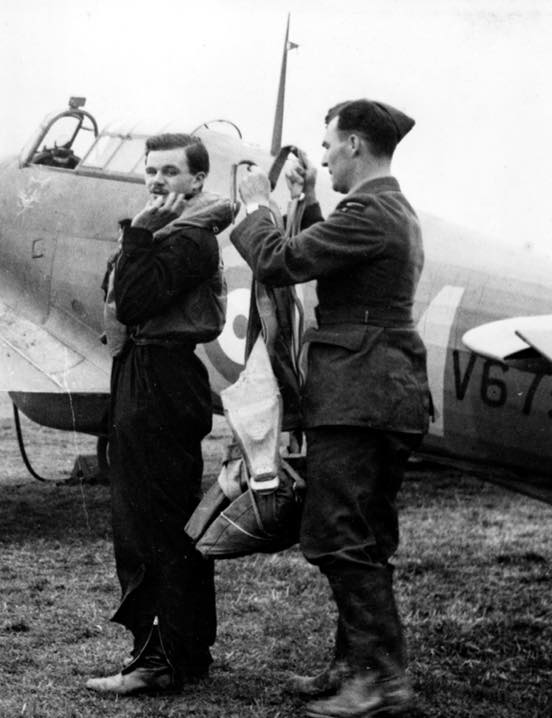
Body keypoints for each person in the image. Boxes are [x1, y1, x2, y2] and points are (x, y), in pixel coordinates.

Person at [230, 100, 431, 718]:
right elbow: (334, 259)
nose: (320, 156)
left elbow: (280, 262)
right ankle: (356, 667)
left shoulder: (371, 211)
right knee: (365, 535)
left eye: (327, 147)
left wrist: (259, 207)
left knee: (336, 534)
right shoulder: (389, 211)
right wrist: (310, 202)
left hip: (359, 394)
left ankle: (378, 683)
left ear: (354, 146)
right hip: (379, 392)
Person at [87, 133, 233, 695]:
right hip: (152, 376)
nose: (156, 182)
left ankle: (156, 659)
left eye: (170, 172)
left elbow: (133, 301)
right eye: (151, 171)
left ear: (197, 181)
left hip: (159, 379)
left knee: (149, 524)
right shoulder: (176, 233)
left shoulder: (189, 238)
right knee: (164, 520)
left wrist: (139, 232)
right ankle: (185, 649)